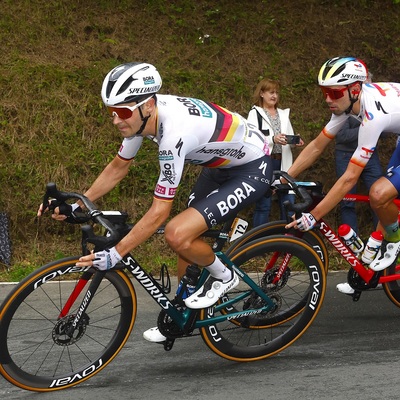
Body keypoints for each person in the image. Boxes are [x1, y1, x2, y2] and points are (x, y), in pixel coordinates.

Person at [37, 62, 273, 343]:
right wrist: (78, 205)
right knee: (186, 237)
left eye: (122, 112)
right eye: (111, 112)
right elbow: (118, 166)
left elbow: (160, 211)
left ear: (147, 105)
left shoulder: (174, 134)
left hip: (253, 167)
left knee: (178, 233)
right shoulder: (142, 119)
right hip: (218, 165)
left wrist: (117, 252)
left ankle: (224, 277)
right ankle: (182, 312)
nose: (115, 120)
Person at [285, 56, 400, 287]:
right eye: (324, 92)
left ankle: (394, 240)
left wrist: (314, 215)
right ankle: (378, 255)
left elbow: (349, 177)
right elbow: (317, 145)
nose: (328, 99)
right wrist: (285, 176)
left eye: (334, 93)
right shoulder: (347, 106)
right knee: (389, 197)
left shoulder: (372, 116)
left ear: (355, 89)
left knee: (378, 193)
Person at [247, 78, 304, 226]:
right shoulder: (255, 113)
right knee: (263, 205)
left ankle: (286, 241)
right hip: (266, 163)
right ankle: (259, 242)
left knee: (288, 203)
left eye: (276, 93)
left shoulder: (283, 114)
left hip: (284, 162)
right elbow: (250, 138)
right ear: (261, 93)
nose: (274, 96)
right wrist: (273, 139)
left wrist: (295, 141)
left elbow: (288, 138)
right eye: (271, 92)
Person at [335, 117, 382, 233]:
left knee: (381, 198)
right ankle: (351, 245)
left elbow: (383, 132)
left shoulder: (375, 107)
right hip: (346, 155)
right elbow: (342, 135)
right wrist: (366, 128)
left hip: (370, 153)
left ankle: (381, 241)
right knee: (347, 200)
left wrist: (379, 125)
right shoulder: (344, 107)